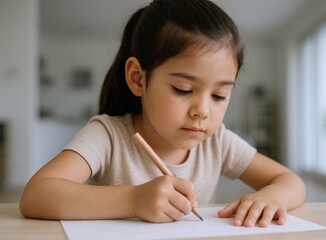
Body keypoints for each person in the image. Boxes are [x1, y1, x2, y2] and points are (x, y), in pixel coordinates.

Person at [20, 0, 306, 227]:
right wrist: (133, 200)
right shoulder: (108, 136)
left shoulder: (217, 142)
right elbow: (37, 195)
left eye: (220, 95)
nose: (203, 111)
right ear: (138, 78)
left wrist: (270, 196)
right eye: (183, 89)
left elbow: (291, 182)